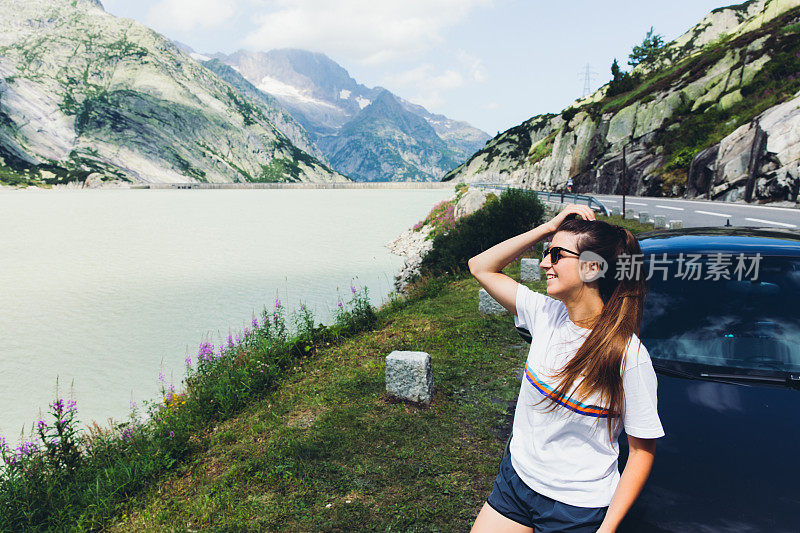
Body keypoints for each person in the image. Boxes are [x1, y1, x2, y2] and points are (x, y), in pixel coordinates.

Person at [468, 204, 664, 533]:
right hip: (516, 481)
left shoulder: (628, 355)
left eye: (556, 255)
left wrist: (608, 528)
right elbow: (481, 266)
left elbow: (642, 452)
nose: (545, 263)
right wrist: (548, 228)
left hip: (575, 509)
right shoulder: (545, 314)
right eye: (546, 254)